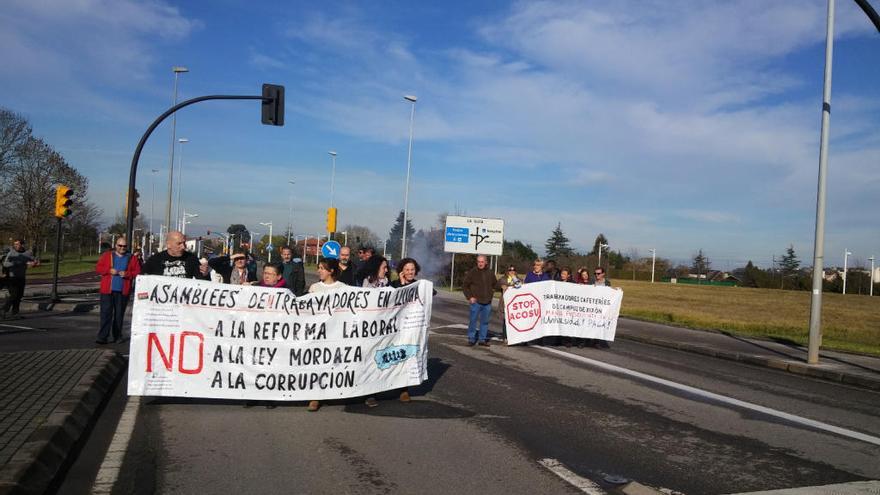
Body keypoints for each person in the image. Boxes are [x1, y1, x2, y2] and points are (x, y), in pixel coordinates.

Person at [306, 258, 346, 412]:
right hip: (317, 334)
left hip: (335, 334)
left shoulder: (342, 288)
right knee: (316, 365)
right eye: (318, 268)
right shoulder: (314, 287)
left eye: (322, 268)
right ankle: (315, 397)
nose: (319, 271)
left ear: (331, 271)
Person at [95, 236, 141, 344]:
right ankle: (102, 337)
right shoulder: (107, 256)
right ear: (116, 245)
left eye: (124, 246)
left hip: (122, 291)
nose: (122, 248)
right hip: (107, 291)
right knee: (106, 314)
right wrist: (109, 270)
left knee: (119, 315)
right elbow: (98, 268)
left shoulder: (131, 258)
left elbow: (138, 271)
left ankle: (117, 336)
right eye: (120, 245)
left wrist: (127, 274)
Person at [461, 255, 502, 346]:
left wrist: (503, 287)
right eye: (479, 262)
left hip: (487, 302)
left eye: (482, 262)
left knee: (485, 322)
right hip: (476, 302)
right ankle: (471, 339)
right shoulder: (472, 272)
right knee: (473, 321)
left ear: (486, 262)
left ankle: (482, 340)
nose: (480, 264)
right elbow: (464, 286)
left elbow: (495, 284)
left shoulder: (490, 273)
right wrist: (470, 297)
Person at [141, 231, 210, 279]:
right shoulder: (155, 260)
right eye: (179, 243)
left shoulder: (191, 259)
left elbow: (204, 285)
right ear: (168, 245)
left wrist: (205, 274)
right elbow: (142, 281)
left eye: (184, 243)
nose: (183, 246)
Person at [1, 239, 38, 319]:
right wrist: (16, 263)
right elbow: (5, 264)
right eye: (15, 244)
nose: (15, 246)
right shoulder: (12, 253)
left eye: (17, 244)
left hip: (21, 277)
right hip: (12, 278)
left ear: (22, 245)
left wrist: (35, 263)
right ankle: (3, 309)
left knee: (19, 296)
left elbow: (34, 260)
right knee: (14, 295)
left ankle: (15, 313)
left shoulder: (27, 253)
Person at [588, 266, 613, 349]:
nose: (596, 275)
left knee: (599, 324)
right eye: (595, 273)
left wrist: (616, 290)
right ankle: (586, 340)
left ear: (603, 274)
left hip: (602, 308)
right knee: (590, 324)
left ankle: (597, 342)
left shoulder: (607, 283)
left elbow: (610, 293)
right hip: (592, 307)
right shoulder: (591, 281)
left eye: (598, 273)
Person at [497, 265, 522, 342]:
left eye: (513, 270)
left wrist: (514, 277)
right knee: (506, 320)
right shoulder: (503, 279)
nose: (511, 272)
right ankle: (505, 337)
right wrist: (501, 286)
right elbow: (496, 286)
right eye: (510, 270)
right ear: (507, 271)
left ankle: (514, 337)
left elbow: (519, 285)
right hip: (505, 303)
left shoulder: (518, 279)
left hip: (515, 304)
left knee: (514, 321)